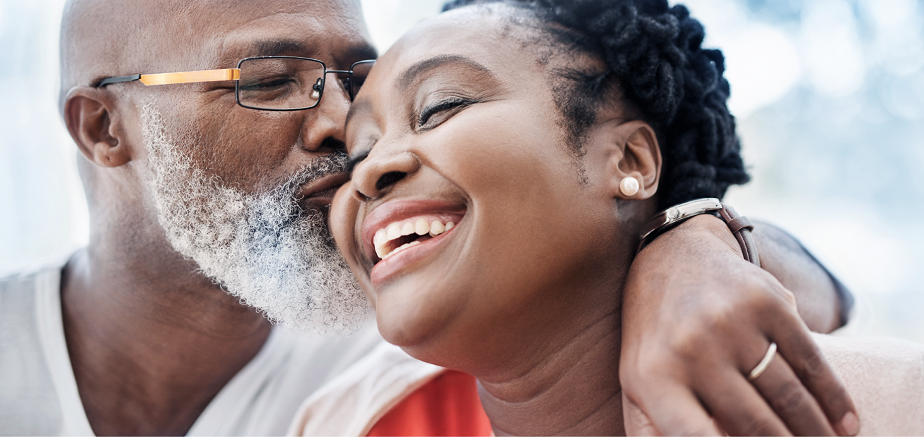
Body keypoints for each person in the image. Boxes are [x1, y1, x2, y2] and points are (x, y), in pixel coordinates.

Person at [0, 0, 859, 434]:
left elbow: (826, 297)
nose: (342, 126)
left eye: (356, 79)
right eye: (267, 82)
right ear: (105, 128)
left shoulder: (425, 332)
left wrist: (691, 243)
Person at [291, 0, 924, 434]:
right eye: (356, 155)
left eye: (441, 106)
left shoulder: (888, 409)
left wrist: (702, 235)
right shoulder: (341, 423)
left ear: (630, 162)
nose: (374, 172)